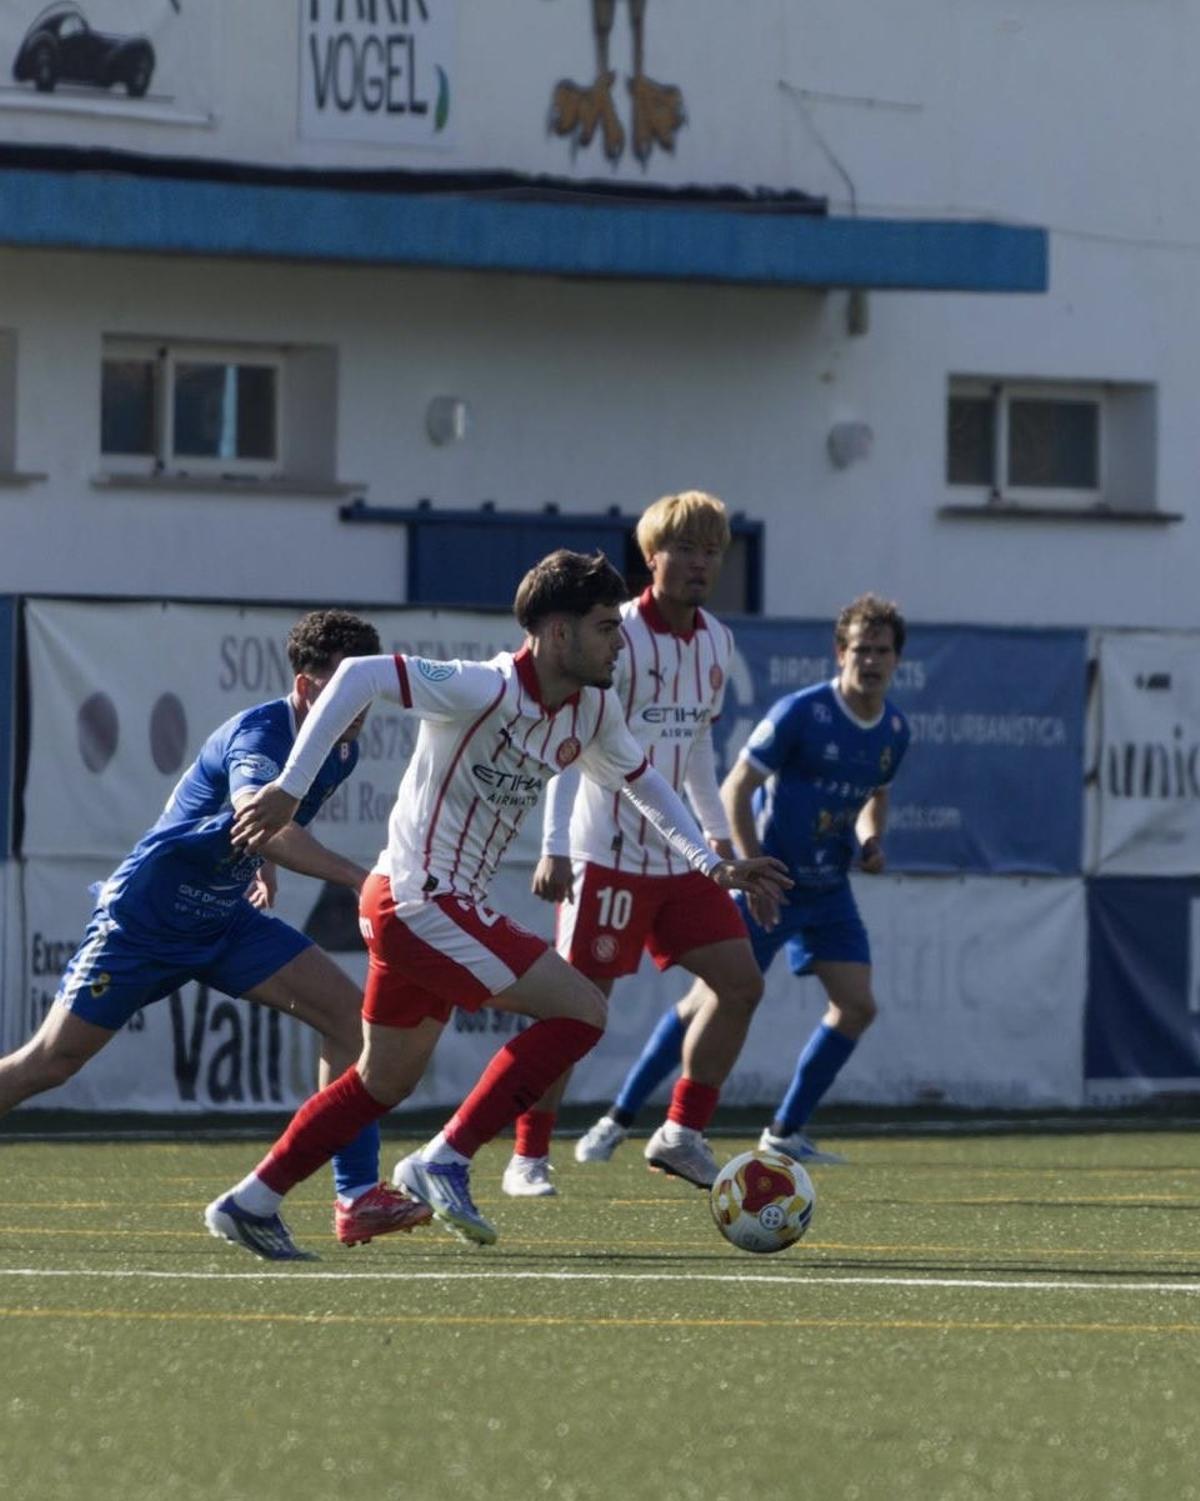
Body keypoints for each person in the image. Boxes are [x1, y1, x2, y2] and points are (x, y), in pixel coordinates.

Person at [206, 549, 790, 1259]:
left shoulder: (594, 706)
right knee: (581, 1009)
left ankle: (251, 1200)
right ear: (558, 633)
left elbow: (643, 784)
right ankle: (446, 1157)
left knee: (380, 1079)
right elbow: (360, 673)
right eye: (607, 627)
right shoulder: (483, 687)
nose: (619, 642)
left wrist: (712, 863)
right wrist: (292, 786)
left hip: (422, 907)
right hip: (417, 899)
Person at [0, 609, 429, 1255]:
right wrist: (361, 877)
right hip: (144, 921)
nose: (361, 707)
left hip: (225, 919)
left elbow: (265, 831)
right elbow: (265, 817)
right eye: (347, 689)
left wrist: (260, 865)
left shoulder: (340, 746)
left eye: (367, 692)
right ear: (308, 686)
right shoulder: (260, 732)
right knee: (49, 1063)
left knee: (351, 1018)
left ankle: (357, 1196)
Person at [578, 593, 910, 1167]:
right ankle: (618, 1120)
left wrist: (869, 838)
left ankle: (784, 1132)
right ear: (840, 652)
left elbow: (873, 797)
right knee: (706, 998)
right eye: (861, 649)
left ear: (897, 660)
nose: (871, 661)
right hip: (772, 883)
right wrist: (750, 870)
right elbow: (736, 787)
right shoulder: (802, 713)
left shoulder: (895, 730)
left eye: (882, 651)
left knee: (856, 1006)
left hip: (828, 891)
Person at [513, 490, 764, 1197]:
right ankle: (527, 1154)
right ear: (651, 557)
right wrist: (554, 845)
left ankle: (681, 1133)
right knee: (575, 1010)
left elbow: (699, 748)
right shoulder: (614, 633)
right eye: (685, 548)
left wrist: (716, 838)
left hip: (682, 858)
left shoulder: (717, 638)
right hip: (607, 855)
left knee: (742, 984)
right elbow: (572, 735)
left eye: (712, 550)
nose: (700, 562)